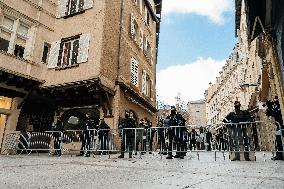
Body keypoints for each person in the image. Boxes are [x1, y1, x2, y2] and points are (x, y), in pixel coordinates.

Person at [265, 96, 284, 160]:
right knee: (278, 140)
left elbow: (278, 113)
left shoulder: (280, 106)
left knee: (279, 139)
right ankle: (279, 154)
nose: (275, 100)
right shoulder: (274, 107)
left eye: (276, 99)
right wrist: (269, 107)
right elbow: (268, 114)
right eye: (274, 99)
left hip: (282, 124)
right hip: (279, 125)